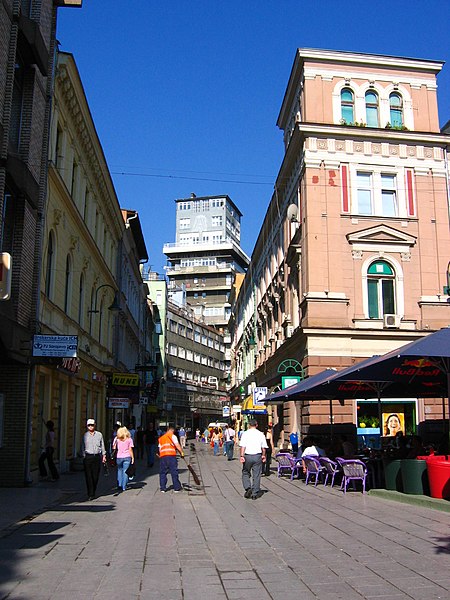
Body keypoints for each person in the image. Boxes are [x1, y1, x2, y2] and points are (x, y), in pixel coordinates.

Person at [239, 419, 267, 500]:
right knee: (257, 475)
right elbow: (263, 448)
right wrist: (263, 455)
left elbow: (243, 446)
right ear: (256, 425)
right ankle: (254, 493)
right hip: (257, 456)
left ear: (249, 425)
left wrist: (241, 456)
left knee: (245, 472)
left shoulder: (245, 433)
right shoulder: (260, 434)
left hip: (247, 456)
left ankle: (248, 488)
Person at [82, 419, 107, 500]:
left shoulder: (99, 435)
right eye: (89, 425)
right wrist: (83, 455)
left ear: (95, 425)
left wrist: (104, 455)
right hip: (88, 457)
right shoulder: (85, 435)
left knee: (95, 476)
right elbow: (83, 446)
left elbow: (102, 445)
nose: (90, 427)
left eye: (92, 425)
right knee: (88, 476)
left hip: (96, 457)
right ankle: (90, 493)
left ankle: (93, 490)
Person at [158, 424, 184, 493]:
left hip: (163, 456)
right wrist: (182, 453)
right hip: (171, 456)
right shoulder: (173, 436)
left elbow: (159, 448)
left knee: (163, 472)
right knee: (174, 472)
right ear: (172, 430)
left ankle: (163, 488)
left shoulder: (161, 438)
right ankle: (176, 488)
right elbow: (177, 446)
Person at [112, 426, 135, 493]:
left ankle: (119, 485)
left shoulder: (117, 439)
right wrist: (132, 457)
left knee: (119, 470)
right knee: (125, 471)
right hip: (127, 456)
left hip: (119, 456)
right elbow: (130, 449)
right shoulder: (129, 439)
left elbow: (114, 447)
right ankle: (124, 486)